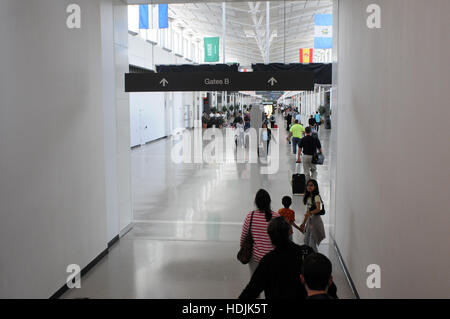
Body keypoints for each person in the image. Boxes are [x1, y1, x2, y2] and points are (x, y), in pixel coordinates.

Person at [239, 217, 338, 299]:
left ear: (270, 237)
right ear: (289, 232)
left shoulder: (267, 261)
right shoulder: (306, 253)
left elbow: (250, 292)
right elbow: (327, 285)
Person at [240, 189, 279, 275]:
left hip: (255, 258)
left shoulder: (251, 216)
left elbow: (244, 236)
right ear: (269, 201)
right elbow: (282, 238)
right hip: (273, 258)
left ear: (256, 202)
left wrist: (243, 247)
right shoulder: (276, 217)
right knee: (271, 285)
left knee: (256, 284)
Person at [299, 179, 326, 252]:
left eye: (311, 185)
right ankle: (309, 257)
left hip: (315, 222)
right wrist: (303, 223)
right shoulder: (308, 197)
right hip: (309, 222)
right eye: (308, 185)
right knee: (306, 240)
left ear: (315, 187)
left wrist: (310, 213)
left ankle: (315, 259)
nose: (309, 187)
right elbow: (307, 212)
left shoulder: (316, 196)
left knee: (312, 244)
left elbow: (318, 209)